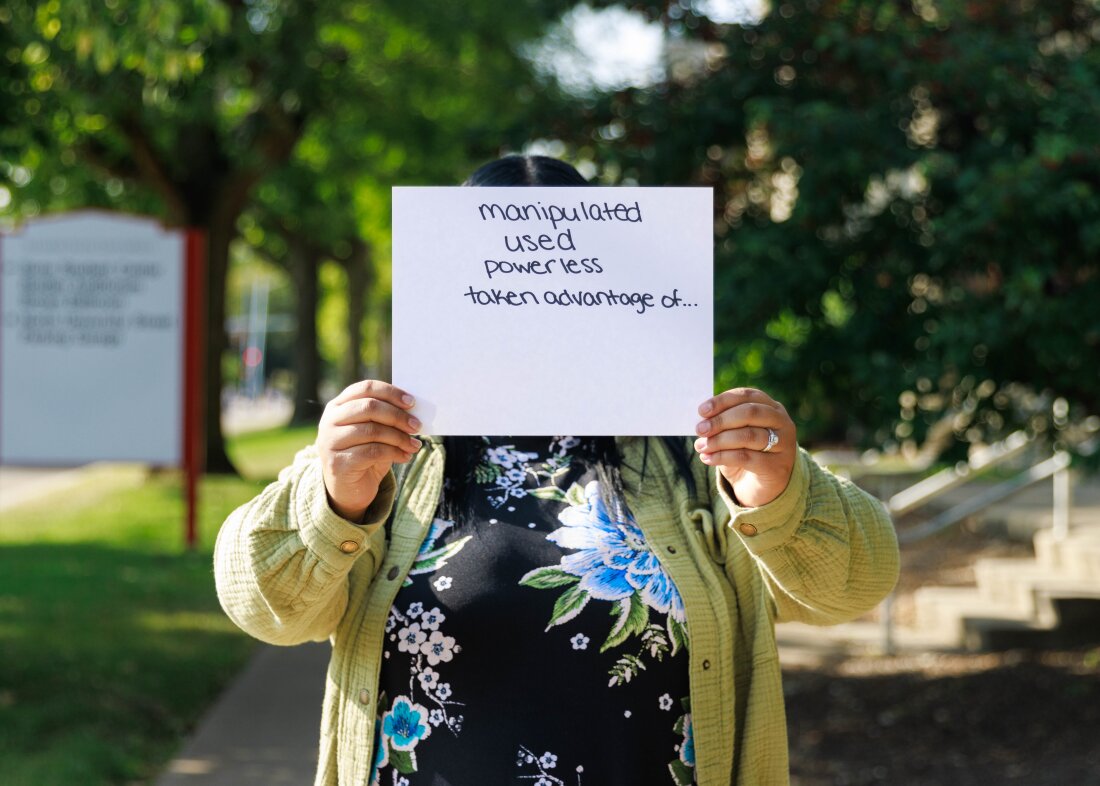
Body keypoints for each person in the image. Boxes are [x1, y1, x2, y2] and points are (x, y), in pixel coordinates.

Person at [214, 155, 899, 786]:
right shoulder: (391, 452)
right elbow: (262, 607)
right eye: (500, 281)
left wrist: (775, 493)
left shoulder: (691, 452)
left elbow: (854, 586)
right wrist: (335, 498)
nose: (533, 307)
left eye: (568, 282)